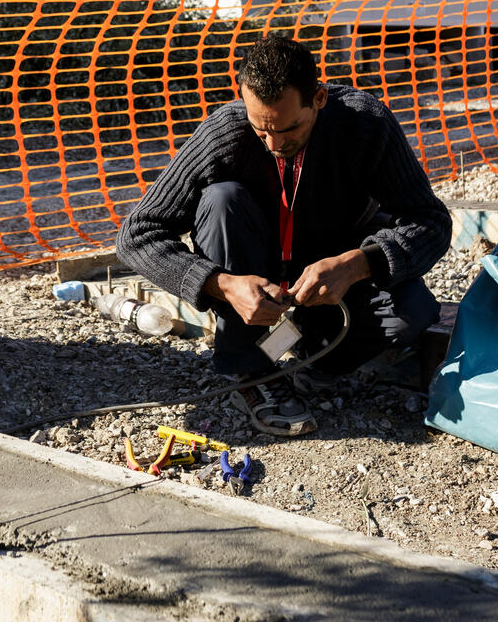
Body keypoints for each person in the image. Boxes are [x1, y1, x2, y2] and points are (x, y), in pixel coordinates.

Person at [116, 33, 451, 436]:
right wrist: (220, 284)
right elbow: (136, 234)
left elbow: (431, 221)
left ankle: (316, 363)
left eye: (289, 128)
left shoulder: (366, 125)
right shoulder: (224, 134)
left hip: (332, 279)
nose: (274, 143)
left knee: (411, 311)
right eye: (261, 130)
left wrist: (360, 264)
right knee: (223, 201)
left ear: (320, 99)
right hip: (251, 268)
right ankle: (249, 370)